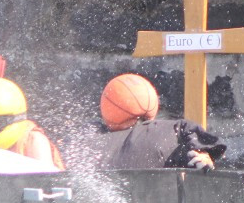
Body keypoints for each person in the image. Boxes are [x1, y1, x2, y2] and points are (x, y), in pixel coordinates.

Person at [92, 73, 225, 171]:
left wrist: (205, 156)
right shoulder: (177, 130)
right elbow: (202, 147)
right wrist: (206, 156)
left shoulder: (88, 142)